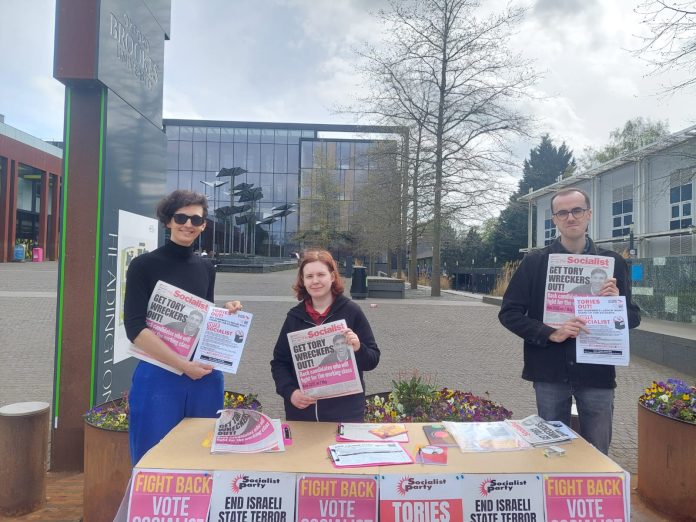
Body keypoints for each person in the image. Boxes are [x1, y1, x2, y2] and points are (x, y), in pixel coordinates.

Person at [498, 188, 640, 455]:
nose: (570, 217)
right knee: (553, 450)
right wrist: (549, 332)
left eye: (576, 210)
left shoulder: (612, 263)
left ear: (588, 214)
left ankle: (596, 494)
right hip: (549, 370)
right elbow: (509, 313)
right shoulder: (535, 262)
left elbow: (632, 318)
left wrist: (615, 303)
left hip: (597, 372)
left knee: (598, 451)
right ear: (554, 219)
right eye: (562, 212)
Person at [124, 189, 243, 465]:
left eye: (195, 220)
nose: (188, 224)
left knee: (201, 457)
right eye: (181, 217)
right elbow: (135, 328)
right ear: (168, 221)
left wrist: (224, 315)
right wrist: (181, 364)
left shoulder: (206, 267)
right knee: (153, 457)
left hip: (202, 376)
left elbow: (203, 320)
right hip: (159, 373)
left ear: (202, 226)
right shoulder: (143, 265)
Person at [270, 249, 380, 422]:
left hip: (345, 414)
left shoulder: (352, 311)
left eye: (321, 274)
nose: (315, 281)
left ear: (332, 277)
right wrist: (290, 392)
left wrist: (359, 348)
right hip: (302, 414)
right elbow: (279, 363)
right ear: (303, 281)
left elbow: (372, 359)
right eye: (309, 276)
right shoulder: (294, 317)